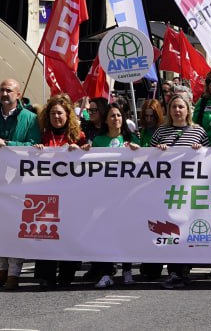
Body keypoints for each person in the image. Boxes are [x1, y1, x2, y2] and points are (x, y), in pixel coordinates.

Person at [0, 78, 41, 290]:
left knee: (17, 226)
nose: (4, 94)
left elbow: (33, 146)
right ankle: (2, 266)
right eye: (2, 91)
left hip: (19, 182)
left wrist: (9, 144)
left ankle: (14, 271)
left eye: (8, 91)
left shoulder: (30, 119)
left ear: (18, 94)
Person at [152, 94, 208, 289]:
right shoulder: (161, 131)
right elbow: (148, 157)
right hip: (167, 190)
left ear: (188, 110)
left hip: (190, 190)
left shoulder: (198, 131)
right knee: (171, 229)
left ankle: (184, 270)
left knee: (186, 230)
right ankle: (174, 272)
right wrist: (158, 150)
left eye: (181, 107)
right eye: (174, 107)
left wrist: (201, 149)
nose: (177, 111)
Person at [34, 95, 89, 289]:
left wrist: (81, 151)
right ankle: (46, 275)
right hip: (46, 193)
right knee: (46, 232)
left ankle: (67, 274)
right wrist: (37, 150)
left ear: (67, 115)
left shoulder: (78, 135)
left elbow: (90, 160)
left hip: (71, 194)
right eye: (52, 113)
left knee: (69, 232)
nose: (56, 117)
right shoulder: (42, 134)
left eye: (60, 113)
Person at [90, 101, 140, 287]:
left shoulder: (133, 139)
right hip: (105, 195)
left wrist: (138, 151)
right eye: (112, 116)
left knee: (124, 233)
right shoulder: (98, 141)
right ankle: (106, 272)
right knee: (105, 233)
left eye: (118, 115)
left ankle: (127, 270)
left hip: (126, 195)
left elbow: (144, 164)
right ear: (106, 120)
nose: (116, 119)